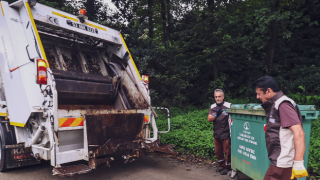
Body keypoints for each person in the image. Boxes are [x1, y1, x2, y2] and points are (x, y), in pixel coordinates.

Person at [253, 76, 308, 180]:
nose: (257, 97)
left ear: (268, 91)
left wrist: (298, 163)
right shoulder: (276, 105)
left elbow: (299, 132)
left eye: (259, 93)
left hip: (282, 163)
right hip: (280, 161)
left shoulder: (283, 105)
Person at [208, 89, 232, 175]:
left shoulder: (229, 105)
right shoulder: (213, 106)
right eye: (216, 97)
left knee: (227, 151)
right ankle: (221, 165)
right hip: (216, 133)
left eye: (219, 96)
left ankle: (228, 167)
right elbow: (209, 119)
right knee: (218, 151)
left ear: (223, 97)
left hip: (226, 133)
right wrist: (216, 115)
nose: (218, 98)